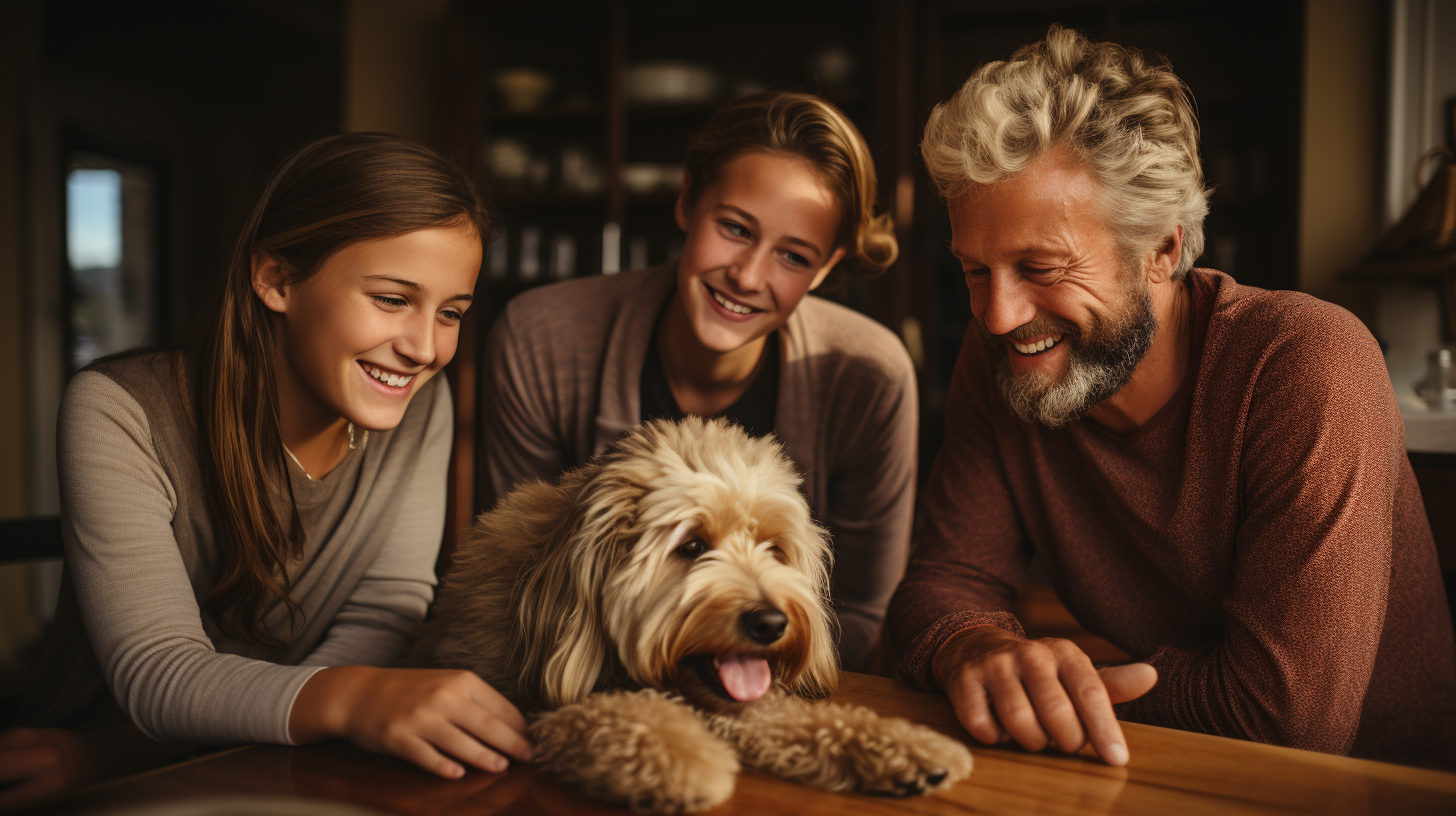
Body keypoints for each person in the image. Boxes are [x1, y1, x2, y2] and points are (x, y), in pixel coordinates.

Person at [889, 26, 1456, 769]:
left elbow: (1285, 720)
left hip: (1373, 790)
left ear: (1161, 249)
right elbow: (944, 585)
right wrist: (980, 650)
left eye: (1041, 266)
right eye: (974, 270)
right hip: (1155, 769)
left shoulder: (1307, 365)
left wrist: (1061, 694)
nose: (997, 315)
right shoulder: (1006, 355)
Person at [0, 133, 531, 807]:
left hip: (265, 760)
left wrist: (332, 708)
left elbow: (385, 610)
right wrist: (355, 697)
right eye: (393, 299)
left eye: (451, 313)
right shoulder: (119, 410)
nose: (424, 349)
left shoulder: (419, 405)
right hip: (100, 764)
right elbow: (157, 675)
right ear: (275, 279)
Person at [482, 91, 916, 672]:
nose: (747, 276)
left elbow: (860, 613)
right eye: (735, 227)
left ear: (828, 268)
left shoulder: (872, 376)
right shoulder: (540, 338)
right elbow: (513, 577)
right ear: (687, 201)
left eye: (793, 256)